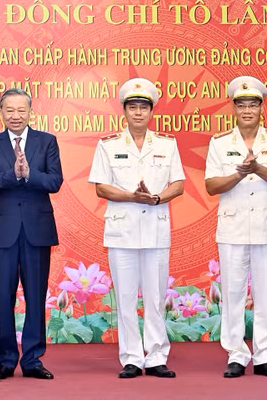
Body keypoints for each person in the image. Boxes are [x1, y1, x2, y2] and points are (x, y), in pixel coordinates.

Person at [89, 78, 185, 379]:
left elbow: (179, 185)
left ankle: (156, 357)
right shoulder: (108, 145)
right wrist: (133, 197)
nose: (138, 113)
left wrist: (155, 198)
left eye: (144, 107)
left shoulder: (167, 145)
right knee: (126, 299)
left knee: (156, 298)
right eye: (133, 107)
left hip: (156, 230)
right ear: (125, 111)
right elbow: (101, 188)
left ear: (151, 111)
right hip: (123, 232)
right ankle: (131, 358)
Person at [204, 76, 267, 378]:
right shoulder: (220, 143)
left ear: (261, 108)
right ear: (233, 108)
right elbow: (212, 186)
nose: (247, 110)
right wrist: (241, 174)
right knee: (232, 293)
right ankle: (236, 354)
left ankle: (265, 354)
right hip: (233, 228)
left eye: (252, 104)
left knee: (266, 292)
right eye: (241, 105)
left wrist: (259, 168)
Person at [0, 88, 63, 381]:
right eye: (9, 110)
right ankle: (6, 359)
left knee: (36, 296)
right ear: (0, 113)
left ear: (30, 112)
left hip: (37, 230)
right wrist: (12, 175)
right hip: (3, 232)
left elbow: (54, 181)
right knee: (3, 296)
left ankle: (33, 360)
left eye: (21, 110)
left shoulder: (47, 141)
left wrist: (28, 175)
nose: (15, 116)